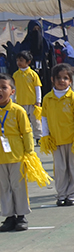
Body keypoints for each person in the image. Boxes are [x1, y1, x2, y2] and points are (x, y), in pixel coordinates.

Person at [0, 73, 36, 232]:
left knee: (18, 186)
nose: (0, 91)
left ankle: (21, 215)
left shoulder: (17, 110)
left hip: (16, 155)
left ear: (12, 91)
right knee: (3, 187)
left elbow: (27, 132)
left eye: (4, 87)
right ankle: (9, 216)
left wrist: (29, 152)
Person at [12, 51, 42, 142]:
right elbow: (14, 89)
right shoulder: (15, 75)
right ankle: (23, 136)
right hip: (20, 102)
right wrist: (13, 101)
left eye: (21, 60)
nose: (19, 63)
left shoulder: (33, 74)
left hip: (32, 102)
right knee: (22, 121)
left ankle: (39, 137)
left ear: (28, 62)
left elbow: (37, 88)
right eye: (17, 60)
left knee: (35, 120)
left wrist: (38, 101)